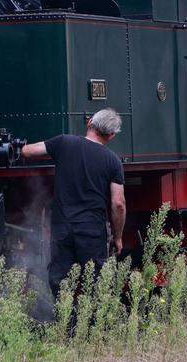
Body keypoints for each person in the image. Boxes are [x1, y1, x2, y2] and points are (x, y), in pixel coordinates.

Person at [21, 108, 127, 293]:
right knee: (95, 282)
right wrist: (117, 237)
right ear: (111, 135)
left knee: (59, 280)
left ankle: (64, 311)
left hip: (62, 226)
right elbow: (118, 204)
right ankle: (91, 312)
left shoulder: (64, 142)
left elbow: (27, 151)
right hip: (92, 228)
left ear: (90, 123)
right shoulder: (113, 162)